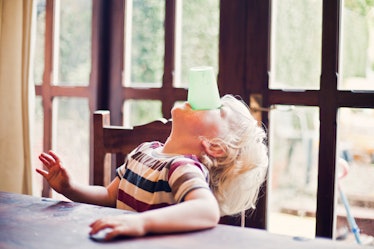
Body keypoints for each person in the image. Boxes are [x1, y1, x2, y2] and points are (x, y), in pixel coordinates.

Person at [37, 94, 268, 240]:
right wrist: (70, 188)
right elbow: (110, 196)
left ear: (214, 146)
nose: (203, 98)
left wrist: (140, 223)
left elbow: (207, 211)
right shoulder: (145, 150)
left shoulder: (182, 167)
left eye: (218, 110)